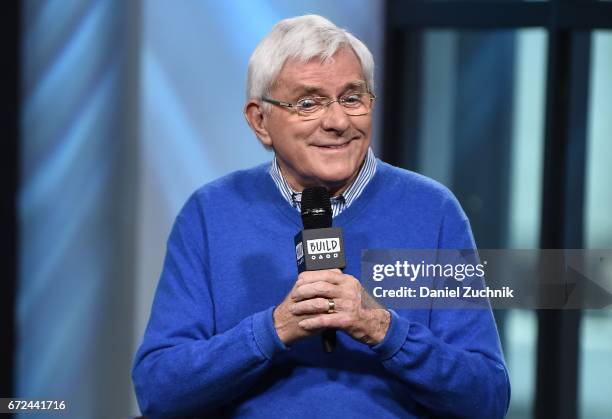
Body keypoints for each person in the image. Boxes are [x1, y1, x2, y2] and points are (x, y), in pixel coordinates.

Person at [132, 14, 510, 418]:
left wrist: (383, 328)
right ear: (260, 121)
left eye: (352, 98)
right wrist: (273, 330)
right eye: (308, 103)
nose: (337, 122)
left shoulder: (433, 211)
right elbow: (160, 390)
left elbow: (485, 398)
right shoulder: (210, 213)